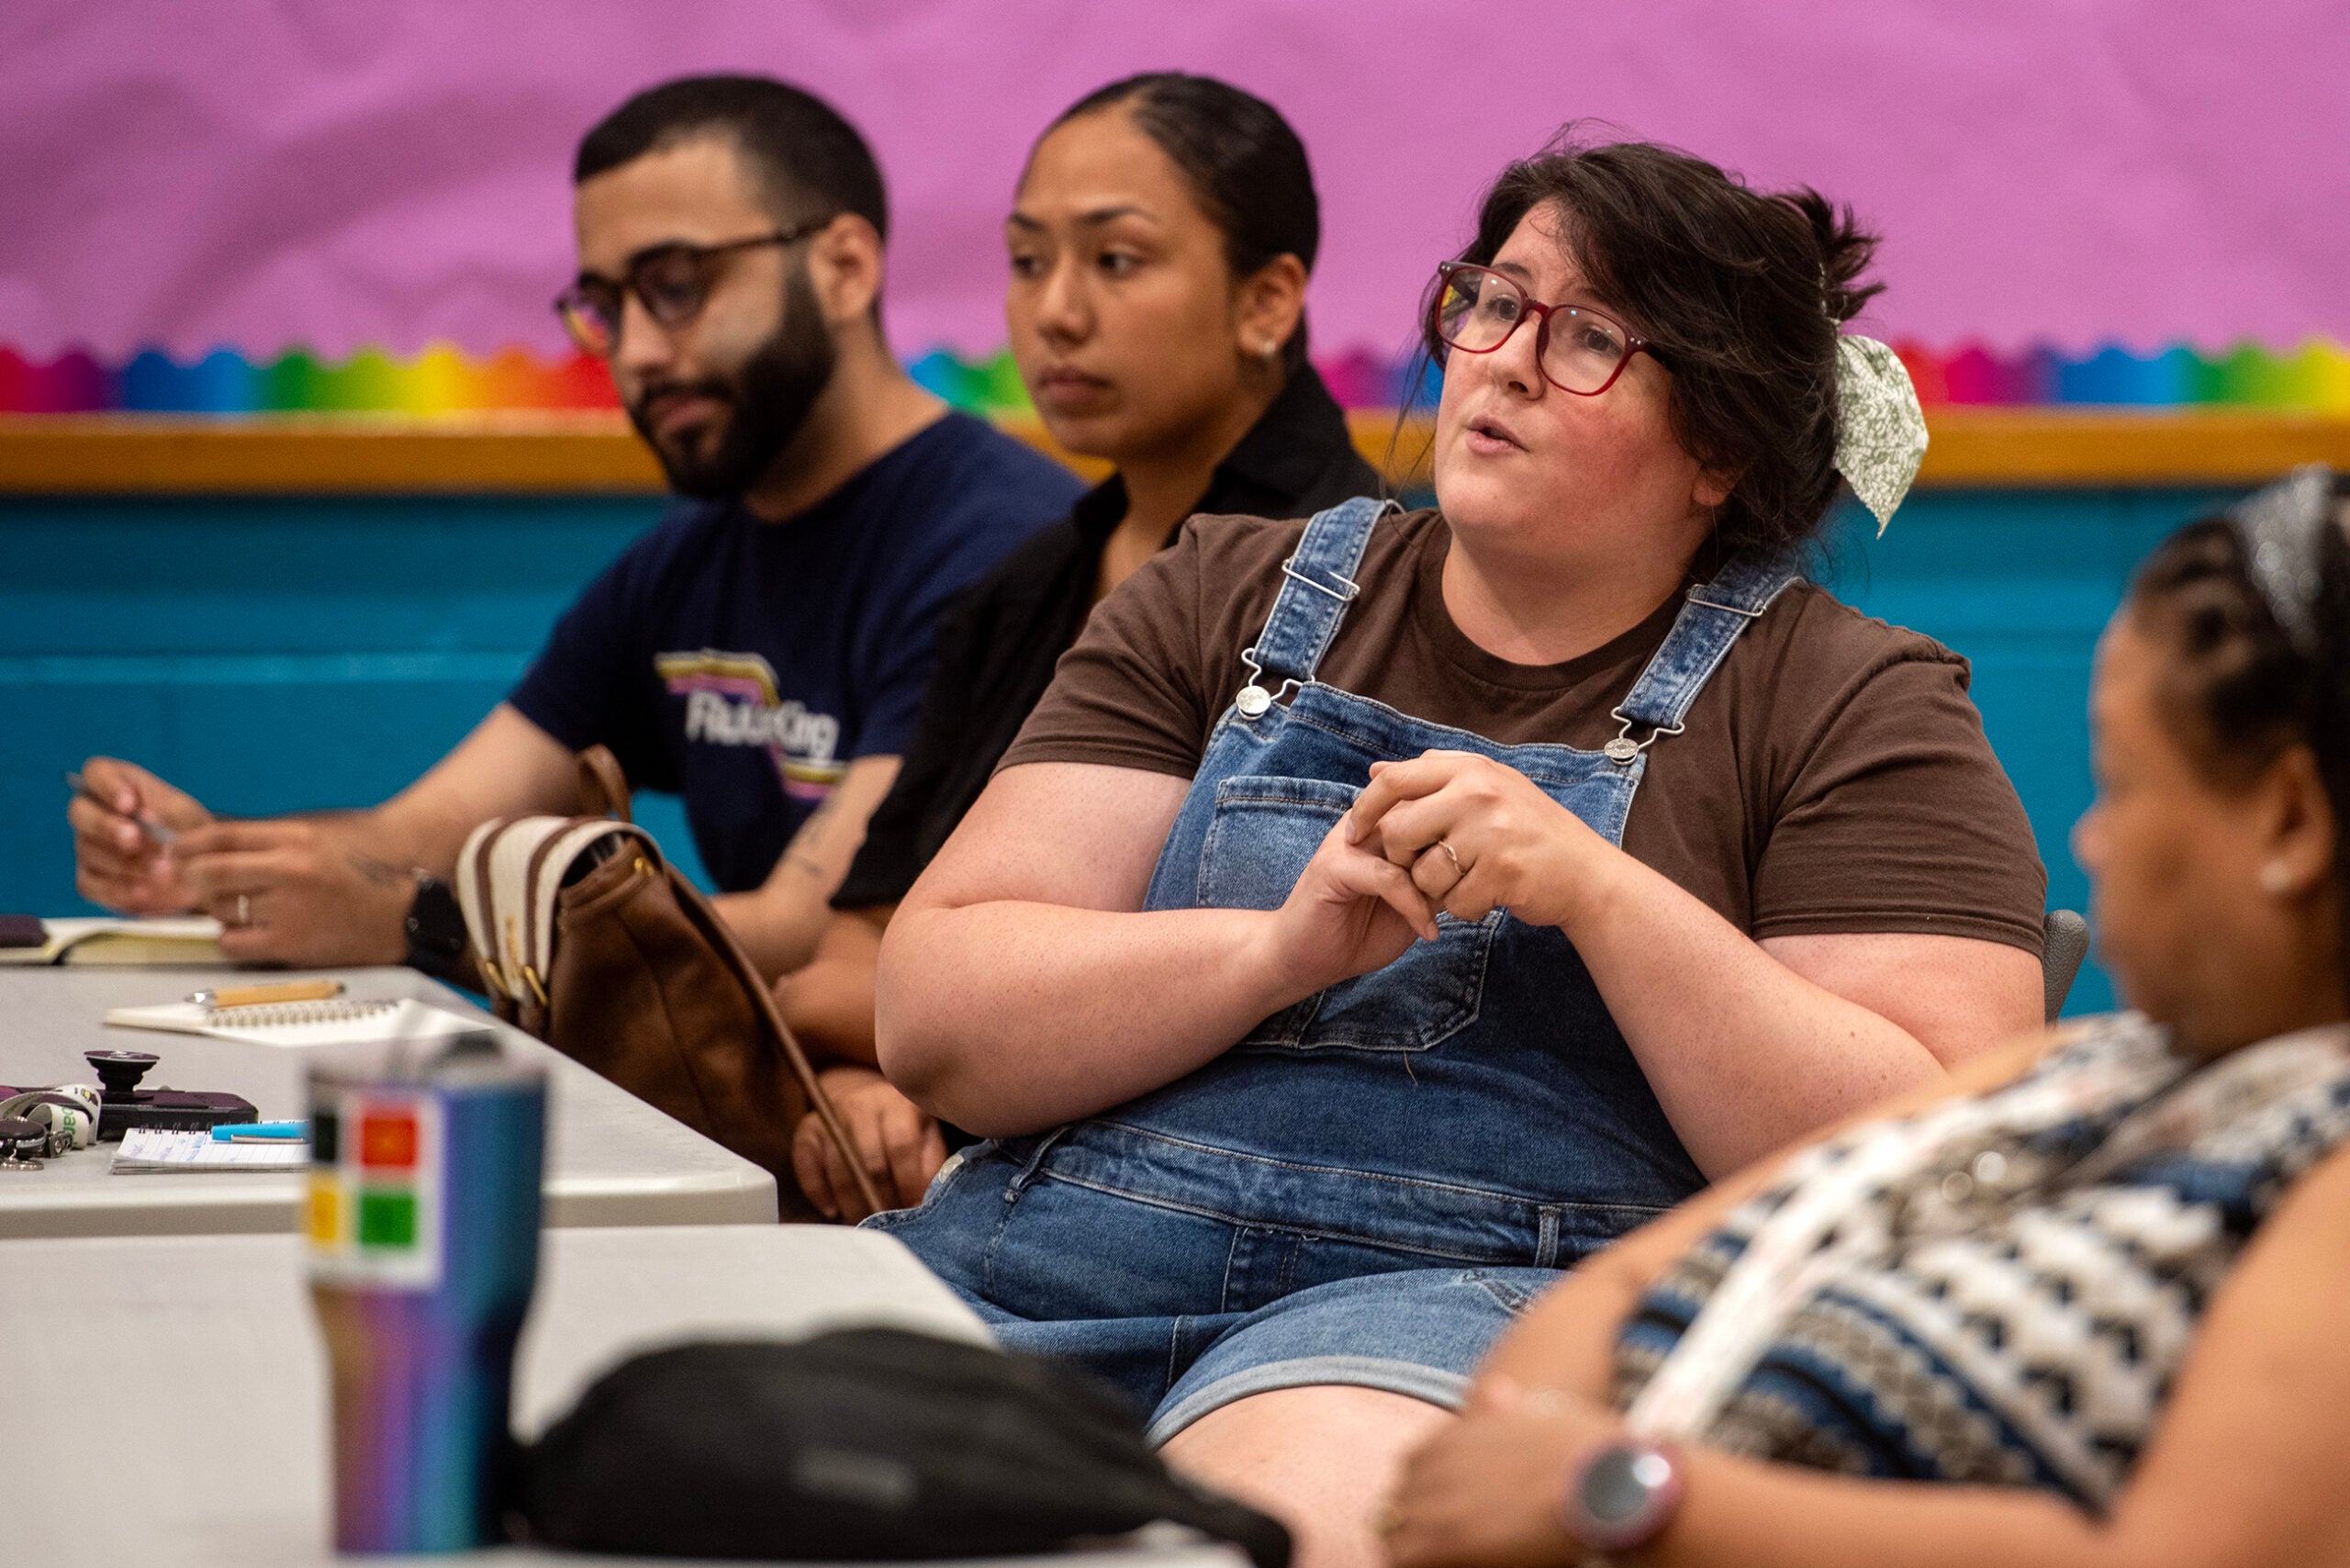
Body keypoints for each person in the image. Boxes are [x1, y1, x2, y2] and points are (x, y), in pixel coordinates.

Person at [867, 132, 2049, 1567]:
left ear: (1722, 450)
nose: (1501, 359)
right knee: (686, 1453)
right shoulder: (1224, 588)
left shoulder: (1849, 699)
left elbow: (1940, 1170)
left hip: (1462, 1308)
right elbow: (935, 1016)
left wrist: (1606, 898)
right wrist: (1268, 954)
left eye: (1592, 337)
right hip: (1056, 1261)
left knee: (1270, 1531)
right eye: (1493, 301)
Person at [1382, 468, 2350, 1568]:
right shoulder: (2081, 1066)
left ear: (2289, 821)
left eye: (2124, 788)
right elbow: (1628, 1281)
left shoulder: (2323, 1150)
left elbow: (2183, 1557)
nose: (2090, 842)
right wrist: (1522, 1469)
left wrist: (1616, 1491)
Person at [67, 75, 1082, 979]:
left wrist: (429, 925)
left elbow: (813, 928)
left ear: (846, 266)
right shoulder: (683, 564)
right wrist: (218, 857)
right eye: (603, 305)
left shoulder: (1001, 547)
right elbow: (425, 830)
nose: (634, 351)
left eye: (677, 287)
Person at [778, 72, 1378, 1220]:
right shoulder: (1022, 585)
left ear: (1267, 300)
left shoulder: (1365, 583)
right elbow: (857, 949)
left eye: (1114, 260)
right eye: (1025, 261)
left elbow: (1280, 1002)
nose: (1054, 313)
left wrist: (949, 1017)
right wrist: (869, 1072)